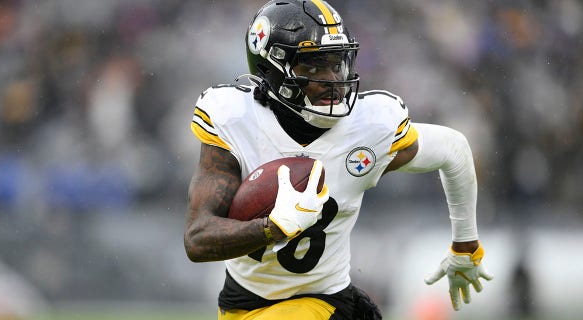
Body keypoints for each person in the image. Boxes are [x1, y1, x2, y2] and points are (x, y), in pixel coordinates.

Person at [184, 0, 493, 319]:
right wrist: (271, 228)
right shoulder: (236, 121)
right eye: (314, 66)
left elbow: (453, 149)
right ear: (270, 69)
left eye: (338, 63)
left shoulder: (370, 128)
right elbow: (197, 239)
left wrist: (465, 245)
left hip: (324, 302)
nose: (333, 79)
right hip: (243, 306)